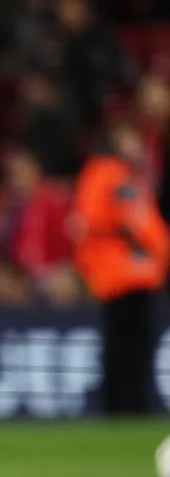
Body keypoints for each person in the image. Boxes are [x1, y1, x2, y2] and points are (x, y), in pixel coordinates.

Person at [72, 120, 170, 415]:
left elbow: (85, 223)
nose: (136, 146)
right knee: (133, 348)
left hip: (109, 276)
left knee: (117, 346)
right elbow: (139, 221)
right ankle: (129, 409)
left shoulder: (94, 174)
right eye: (129, 140)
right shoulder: (118, 177)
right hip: (129, 275)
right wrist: (164, 249)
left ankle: (115, 409)